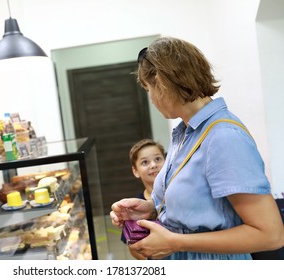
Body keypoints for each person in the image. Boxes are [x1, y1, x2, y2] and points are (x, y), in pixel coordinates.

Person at [110, 36, 284, 260]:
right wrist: (151, 207)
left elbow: (270, 235)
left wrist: (175, 242)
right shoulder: (185, 132)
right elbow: (201, 204)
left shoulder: (223, 137)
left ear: (161, 83)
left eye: (148, 88)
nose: (151, 98)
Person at [121, 139, 166, 259]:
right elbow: (132, 247)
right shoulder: (135, 208)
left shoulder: (178, 195)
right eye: (145, 162)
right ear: (135, 171)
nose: (153, 165)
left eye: (158, 159)